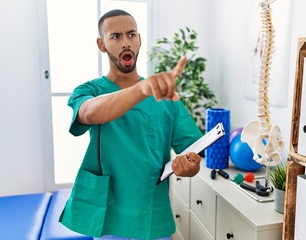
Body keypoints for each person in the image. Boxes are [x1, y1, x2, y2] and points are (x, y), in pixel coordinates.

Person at [59, 9, 203, 240]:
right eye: (115, 36)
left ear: (139, 39)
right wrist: (141, 89)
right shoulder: (89, 91)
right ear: (101, 44)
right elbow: (89, 113)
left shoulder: (166, 99)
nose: (125, 42)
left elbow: (193, 156)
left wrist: (190, 167)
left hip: (151, 213)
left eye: (131, 34)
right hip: (110, 215)